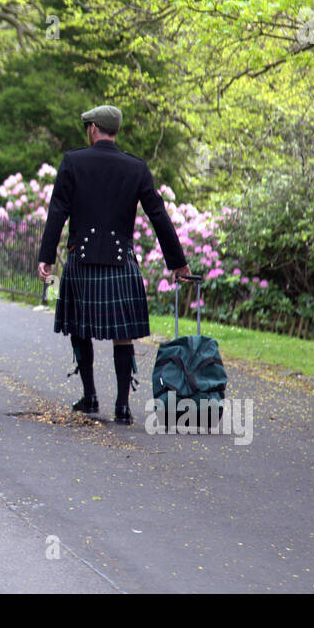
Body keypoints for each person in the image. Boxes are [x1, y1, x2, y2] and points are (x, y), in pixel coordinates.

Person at [36, 105, 190, 424]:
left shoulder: (73, 162)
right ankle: (122, 405)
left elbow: (57, 212)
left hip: (82, 259)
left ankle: (90, 396)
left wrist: (46, 257)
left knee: (81, 329)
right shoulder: (136, 167)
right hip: (122, 262)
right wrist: (177, 262)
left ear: (93, 128)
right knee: (123, 335)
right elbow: (158, 214)